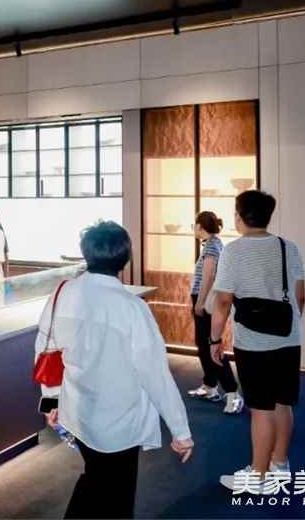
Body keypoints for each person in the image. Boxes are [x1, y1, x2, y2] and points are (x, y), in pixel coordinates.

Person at [34, 221, 193, 519]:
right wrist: (180, 430)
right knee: (115, 494)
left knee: (97, 478)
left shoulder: (62, 293)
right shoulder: (131, 308)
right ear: (125, 258)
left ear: (86, 252)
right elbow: (155, 374)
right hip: (119, 421)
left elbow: (45, 350)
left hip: (77, 412)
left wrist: (52, 399)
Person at [212, 190, 305, 492]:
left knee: (261, 409)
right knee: (283, 403)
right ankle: (280, 464)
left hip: (254, 343)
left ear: (239, 216)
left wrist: (214, 339)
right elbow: (300, 297)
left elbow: (223, 301)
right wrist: (289, 327)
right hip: (289, 338)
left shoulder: (234, 251)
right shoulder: (288, 247)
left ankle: (258, 476)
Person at [187, 211, 243, 414]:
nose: (193, 229)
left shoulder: (211, 246)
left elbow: (209, 276)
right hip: (206, 300)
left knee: (211, 345)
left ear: (200, 226)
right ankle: (210, 386)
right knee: (203, 345)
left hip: (206, 301)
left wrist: (200, 302)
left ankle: (233, 393)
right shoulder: (214, 244)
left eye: (194, 225)